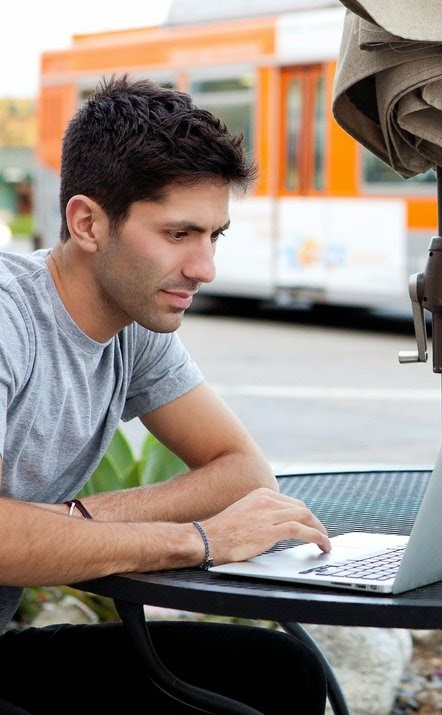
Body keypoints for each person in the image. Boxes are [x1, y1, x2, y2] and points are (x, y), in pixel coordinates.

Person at [0, 76, 333, 713]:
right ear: (88, 222)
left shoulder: (133, 321)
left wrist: (76, 524)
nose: (205, 269)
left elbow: (242, 472)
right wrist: (197, 539)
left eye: (215, 236)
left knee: (280, 673)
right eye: (179, 235)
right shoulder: (10, 320)